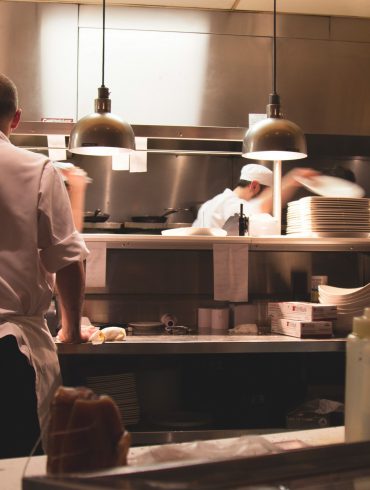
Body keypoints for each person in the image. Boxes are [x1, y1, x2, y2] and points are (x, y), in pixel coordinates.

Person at [0, 73, 91, 458]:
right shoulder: (35, 168)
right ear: (15, 118)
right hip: (9, 354)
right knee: (18, 473)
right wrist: (70, 329)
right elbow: (67, 261)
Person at [193, 163, 318, 229]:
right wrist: (293, 178)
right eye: (268, 193)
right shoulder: (231, 204)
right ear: (254, 186)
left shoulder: (209, 204)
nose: (270, 198)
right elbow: (260, 207)